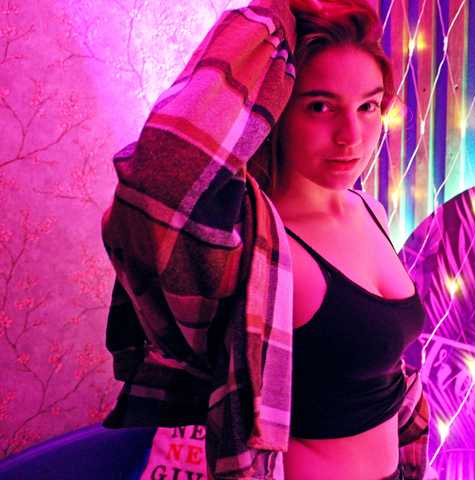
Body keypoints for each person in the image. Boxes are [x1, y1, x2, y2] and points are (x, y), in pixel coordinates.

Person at [100, 0, 433, 478]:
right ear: (278, 106)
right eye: (320, 107)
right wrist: (276, 14)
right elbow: (157, 185)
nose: (351, 135)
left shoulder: (369, 210)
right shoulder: (253, 244)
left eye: (368, 106)